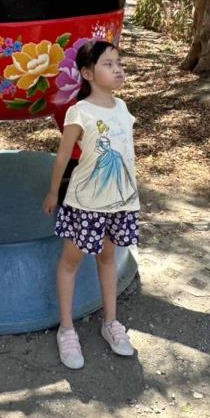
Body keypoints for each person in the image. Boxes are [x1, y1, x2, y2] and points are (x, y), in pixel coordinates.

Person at [43, 40, 139, 369]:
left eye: (118, 63)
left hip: (119, 203)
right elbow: (62, 156)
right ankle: (67, 329)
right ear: (87, 73)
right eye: (108, 64)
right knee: (71, 261)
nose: (118, 69)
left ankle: (111, 322)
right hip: (86, 204)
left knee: (108, 258)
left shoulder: (122, 107)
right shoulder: (79, 111)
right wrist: (53, 192)